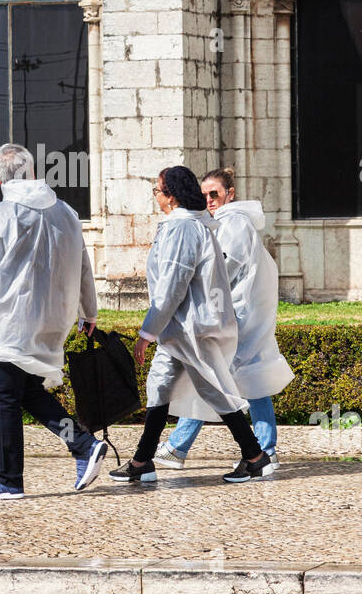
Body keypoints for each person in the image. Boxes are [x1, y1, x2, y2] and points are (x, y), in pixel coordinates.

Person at [0, 143, 109, 499]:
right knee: (26, 393)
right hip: (54, 320)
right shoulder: (67, 213)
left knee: (3, 399)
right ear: (35, 172)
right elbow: (84, 266)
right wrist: (90, 312)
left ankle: (7, 480)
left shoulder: (1, 214)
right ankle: (83, 445)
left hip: (11, 323)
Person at [108, 165, 274, 485]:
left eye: (157, 191)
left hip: (189, 328)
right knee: (159, 386)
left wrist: (147, 333)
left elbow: (172, 286)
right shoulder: (193, 225)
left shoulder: (182, 228)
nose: (156, 197)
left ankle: (255, 456)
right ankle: (143, 461)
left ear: (170, 196)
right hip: (180, 328)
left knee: (213, 390)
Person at [153, 167, 294, 470]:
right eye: (204, 195)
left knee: (214, 378)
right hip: (240, 312)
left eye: (214, 193)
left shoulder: (234, 223)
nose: (209, 199)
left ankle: (179, 446)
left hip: (236, 314)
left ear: (230, 194)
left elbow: (223, 268)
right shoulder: (229, 222)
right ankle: (264, 449)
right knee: (247, 379)